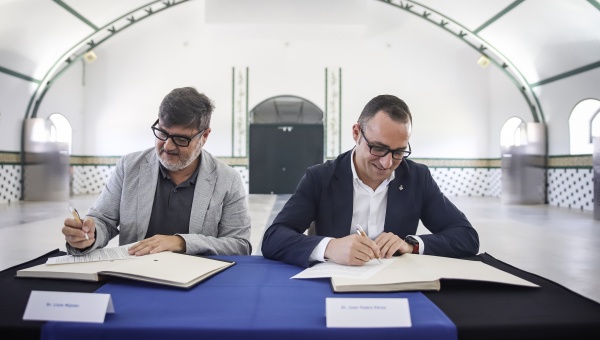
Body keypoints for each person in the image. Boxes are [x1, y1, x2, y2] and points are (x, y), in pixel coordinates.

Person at [261, 94, 479, 268]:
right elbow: (274, 238)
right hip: (332, 288)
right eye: (378, 148)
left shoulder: (417, 178)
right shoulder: (321, 177)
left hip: (396, 287)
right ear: (357, 133)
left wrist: (411, 245)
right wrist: (330, 247)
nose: (386, 163)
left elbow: (466, 236)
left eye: (399, 152)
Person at [62, 87, 251, 256]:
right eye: (162, 133)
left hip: (197, 282)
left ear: (205, 136)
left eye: (181, 139)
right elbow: (103, 219)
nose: (168, 146)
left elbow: (239, 245)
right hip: (136, 276)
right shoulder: (129, 166)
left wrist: (182, 242)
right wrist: (89, 235)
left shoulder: (227, 179)